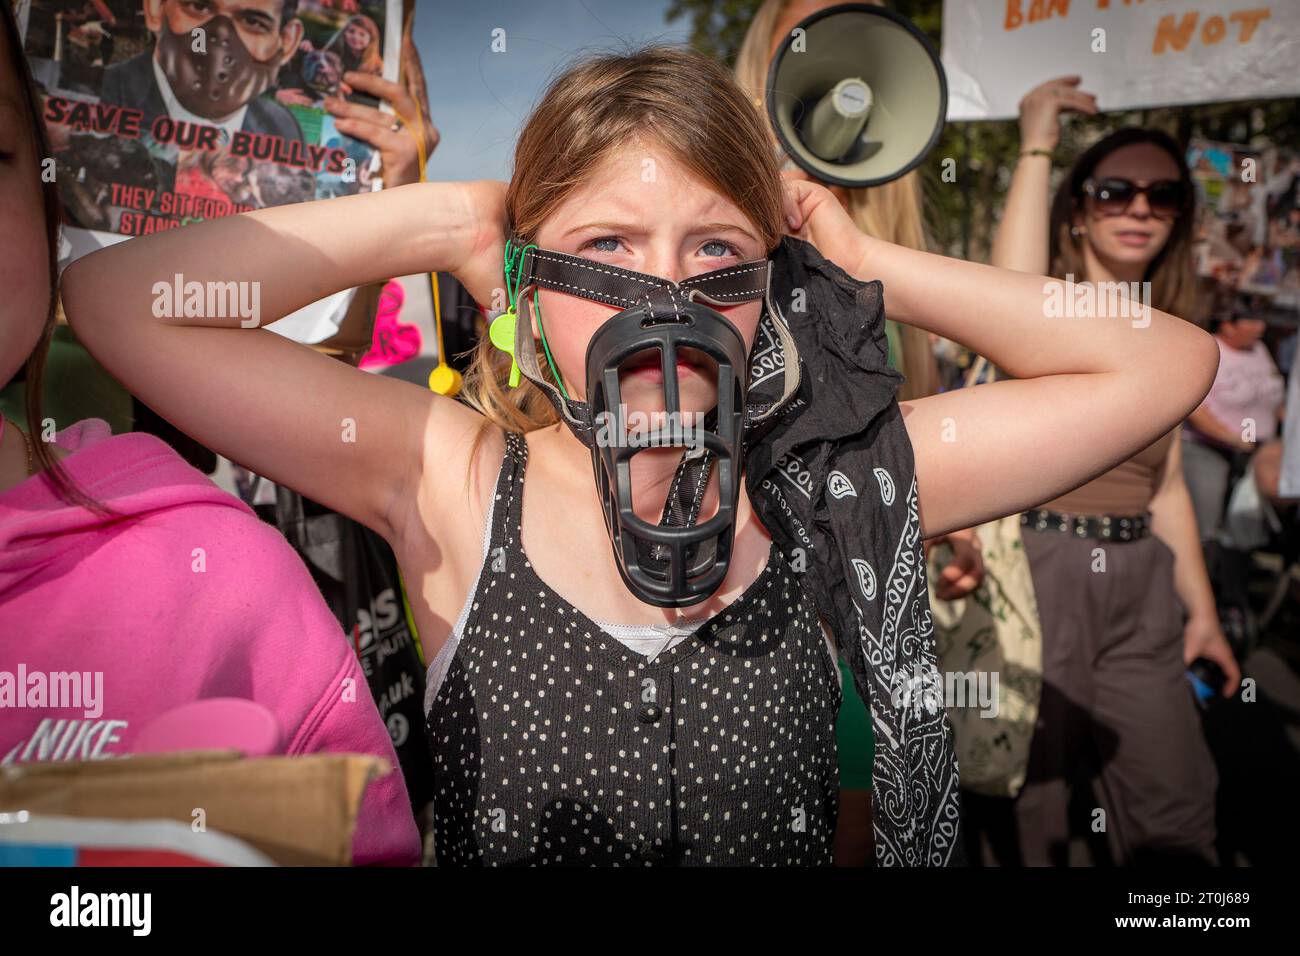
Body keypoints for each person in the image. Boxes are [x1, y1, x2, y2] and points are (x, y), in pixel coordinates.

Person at [63, 45, 1219, 867]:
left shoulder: (826, 484)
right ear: (524, 285)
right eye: (605, 244)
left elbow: (1160, 365)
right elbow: (120, 305)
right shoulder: (449, 478)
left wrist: (862, 261)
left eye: (713, 245)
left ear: (769, 287)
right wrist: (447, 221)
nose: (663, 292)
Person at [0, 3, 418, 866]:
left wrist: (395, 198)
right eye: (200, 12)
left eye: (256, 19)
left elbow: (331, 339)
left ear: (289, 45)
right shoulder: (90, 113)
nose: (219, 41)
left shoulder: (228, 588)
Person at [734, 0, 985, 866]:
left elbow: (892, 440)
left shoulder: (882, 255)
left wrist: (936, 520)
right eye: (805, 34)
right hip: (764, 628)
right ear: (763, 61)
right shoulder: (724, 252)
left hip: (868, 636)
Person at [976, 75, 1239, 865]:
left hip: (1142, 580)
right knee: (1037, 811)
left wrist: (1205, 614)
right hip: (1040, 567)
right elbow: (1009, 286)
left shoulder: (1173, 332)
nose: (1138, 209)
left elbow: (1164, 489)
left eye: (1162, 197)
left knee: (1177, 809)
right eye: (1115, 191)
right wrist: (1037, 138)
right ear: (1079, 208)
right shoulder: (1048, 308)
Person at [101, 0, 306, 145]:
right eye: (199, 6)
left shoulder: (282, 130)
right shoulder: (96, 97)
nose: (220, 35)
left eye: (253, 22)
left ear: (287, 42)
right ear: (155, 7)